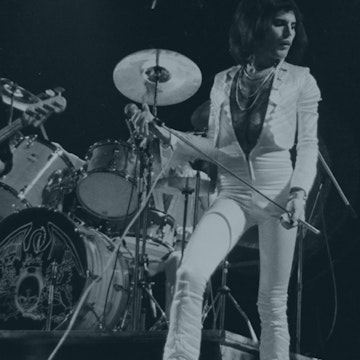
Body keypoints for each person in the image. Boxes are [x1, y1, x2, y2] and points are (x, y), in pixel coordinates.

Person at [132, 0, 321, 359]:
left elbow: (308, 146)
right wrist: (167, 134)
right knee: (189, 273)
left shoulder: (301, 80)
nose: (289, 34)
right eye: (280, 24)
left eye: (293, 27)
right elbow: (216, 151)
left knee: (272, 303)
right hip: (232, 193)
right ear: (256, 27)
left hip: (279, 193)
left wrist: (299, 194)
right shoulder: (223, 82)